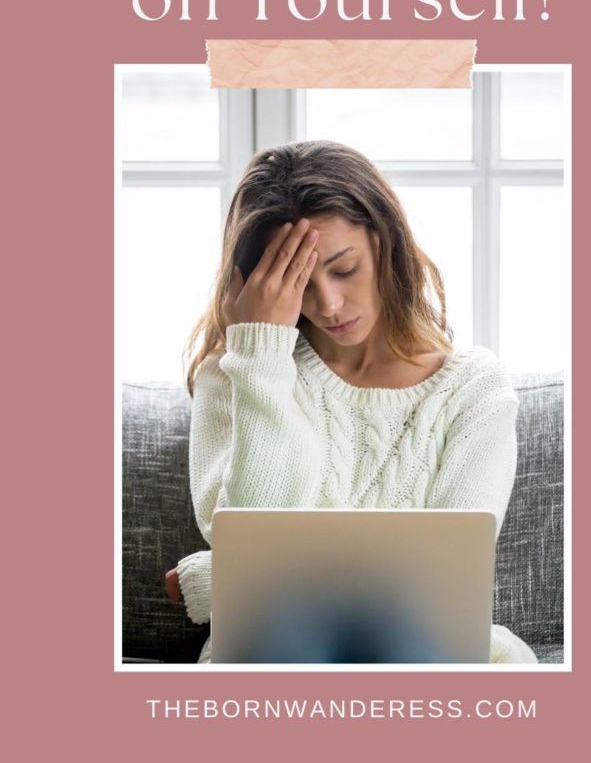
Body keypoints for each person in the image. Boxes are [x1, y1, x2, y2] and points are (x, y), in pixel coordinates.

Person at [165, 140, 536, 664]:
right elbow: (253, 536)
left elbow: (444, 581)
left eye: (343, 269)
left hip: (422, 651)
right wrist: (261, 356)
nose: (328, 305)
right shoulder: (239, 373)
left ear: (385, 243)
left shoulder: (474, 389)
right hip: (273, 654)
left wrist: (216, 578)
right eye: (299, 284)